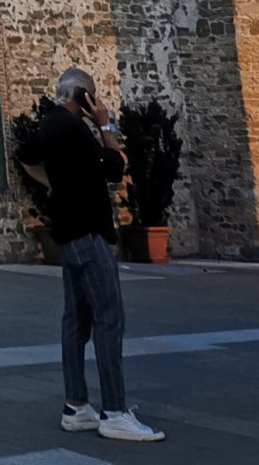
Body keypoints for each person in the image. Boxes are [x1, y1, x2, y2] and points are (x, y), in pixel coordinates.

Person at [19, 68, 164, 444]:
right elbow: (116, 168)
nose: (96, 103)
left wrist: (57, 187)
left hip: (67, 235)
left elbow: (24, 155)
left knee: (76, 320)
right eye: (93, 96)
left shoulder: (48, 124)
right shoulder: (74, 128)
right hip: (88, 234)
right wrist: (106, 124)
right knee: (109, 319)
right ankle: (114, 411)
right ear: (83, 96)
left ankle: (76, 406)